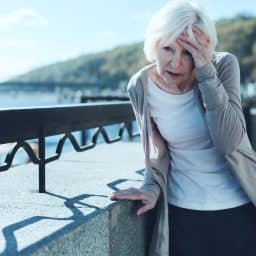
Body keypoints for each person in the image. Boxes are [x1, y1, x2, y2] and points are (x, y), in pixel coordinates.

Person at [110, 0, 256, 255]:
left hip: (239, 210)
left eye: (188, 52)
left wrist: (206, 70)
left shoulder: (222, 67)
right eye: (167, 48)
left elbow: (229, 141)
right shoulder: (140, 87)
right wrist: (151, 187)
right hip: (183, 214)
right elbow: (157, 151)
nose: (175, 62)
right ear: (154, 44)